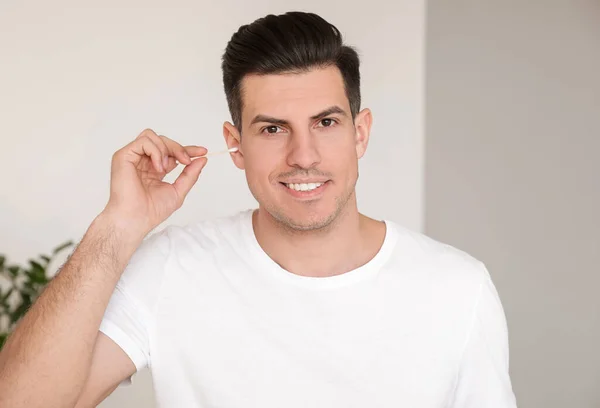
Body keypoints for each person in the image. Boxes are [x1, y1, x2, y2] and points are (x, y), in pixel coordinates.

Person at [0, 11, 517, 408]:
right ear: (236, 144)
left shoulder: (457, 289)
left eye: (326, 123)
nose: (303, 156)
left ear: (360, 132)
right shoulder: (172, 268)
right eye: (273, 129)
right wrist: (117, 226)